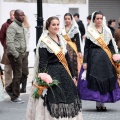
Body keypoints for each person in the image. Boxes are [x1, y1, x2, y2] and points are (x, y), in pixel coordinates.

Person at [25, 16, 83, 120]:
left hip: (64, 73)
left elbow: (67, 59)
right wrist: (43, 78)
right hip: (51, 73)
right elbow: (43, 62)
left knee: (69, 98)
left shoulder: (61, 39)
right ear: (48, 26)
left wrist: (73, 75)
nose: (56, 27)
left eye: (57, 24)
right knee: (52, 99)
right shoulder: (44, 41)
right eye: (53, 25)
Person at [78, 11, 120, 111]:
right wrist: (85, 61)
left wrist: (115, 56)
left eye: (101, 18)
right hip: (94, 59)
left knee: (106, 79)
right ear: (94, 20)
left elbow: (110, 46)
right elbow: (86, 48)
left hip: (106, 59)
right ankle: (98, 103)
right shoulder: (90, 31)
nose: (99, 20)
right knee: (96, 80)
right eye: (97, 18)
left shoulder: (107, 31)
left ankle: (103, 103)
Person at [5, 9, 28, 103]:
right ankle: (15, 96)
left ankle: (9, 88)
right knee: (18, 75)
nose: (22, 17)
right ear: (16, 16)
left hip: (23, 53)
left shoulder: (22, 25)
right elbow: (9, 42)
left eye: (23, 15)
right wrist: (16, 55)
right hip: (16, 54)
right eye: (20, 15)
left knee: (24, 74)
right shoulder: (12, 27)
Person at [61, 13, 82, 80]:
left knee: (72, 63)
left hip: (72, 48)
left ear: (71, 20)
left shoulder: (75, 29)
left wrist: (79, 51)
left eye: (68, 19)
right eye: (65, 19)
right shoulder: (61, 29)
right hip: (63, 47)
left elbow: (78, 40)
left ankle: (74, 79)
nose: (67, 20)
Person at [0, 10, 15, 88]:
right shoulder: (5, 25)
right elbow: (1, 37)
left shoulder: (20, 25)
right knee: (8, 69)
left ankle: (15, 86)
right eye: (11, 14)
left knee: (17, 69)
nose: (12, 16)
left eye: (13, 15)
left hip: (17, 50)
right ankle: (7, 86)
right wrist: (5, 46)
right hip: (7, 50)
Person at [20, 15, 30, 93]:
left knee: (25, 70)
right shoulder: (15, 26)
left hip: (26, 51)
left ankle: (23, 88)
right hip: (18, 51)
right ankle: (14, 87)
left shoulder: (27, 26)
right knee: (18, 71)